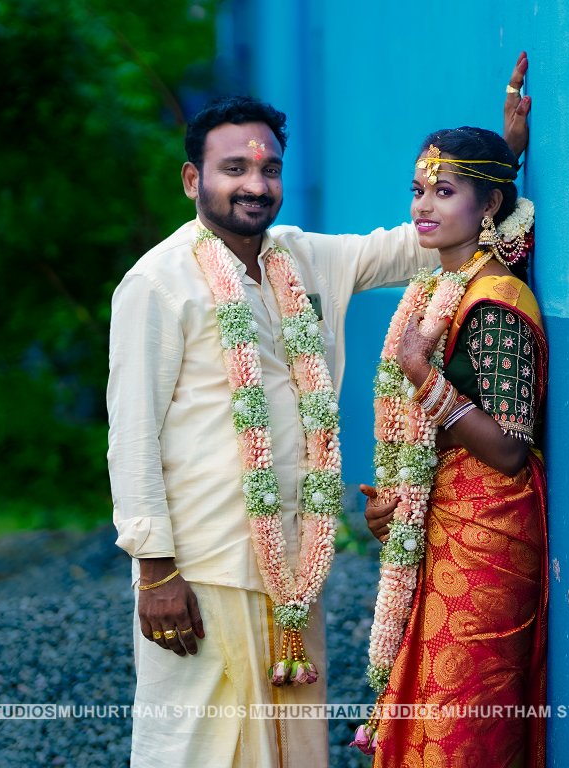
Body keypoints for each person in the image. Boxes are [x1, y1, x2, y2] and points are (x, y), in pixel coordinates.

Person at [106, 55, 533, 768]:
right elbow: (132, 434)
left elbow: (427, 237)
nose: (255, 184)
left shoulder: (303, 259)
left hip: (294, 564)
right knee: (199, 747)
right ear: (191, 180)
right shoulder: (158, 283)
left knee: (291, 746)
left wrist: (497, 165)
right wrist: (154, 570)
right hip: (205, 562)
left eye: (268, 169)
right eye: (233, 169)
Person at [360, 126, 549, 768]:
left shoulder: (497, 302)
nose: (423, 205)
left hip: (489, 534)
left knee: (461, 718)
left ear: (489, 204)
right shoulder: (440, 286)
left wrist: (422, 375)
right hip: (443, 519)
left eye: (444, 191)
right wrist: (397, 505)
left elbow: (509, 451)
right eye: (418, 190)